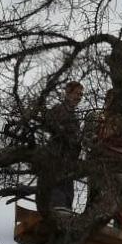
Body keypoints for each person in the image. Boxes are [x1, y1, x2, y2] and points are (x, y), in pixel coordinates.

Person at [88, 89, 122, 231]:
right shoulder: (97, 117)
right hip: (99, 162)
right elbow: (87, 139)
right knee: (96, 197)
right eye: (111, 99)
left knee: (120, 200)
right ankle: (89, 224)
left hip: (118, 163)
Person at [44, 81, 84, 213]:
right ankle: (58, 211)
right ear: (68, 93)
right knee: (58, 189)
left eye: (81, 95)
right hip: (58, 156)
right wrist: (62, 131)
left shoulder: (73, 115)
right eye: (77, 93)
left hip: (69, 161)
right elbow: (48, 122)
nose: (79, 97)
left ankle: (65, 212)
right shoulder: (59, 109)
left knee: (67, 193)